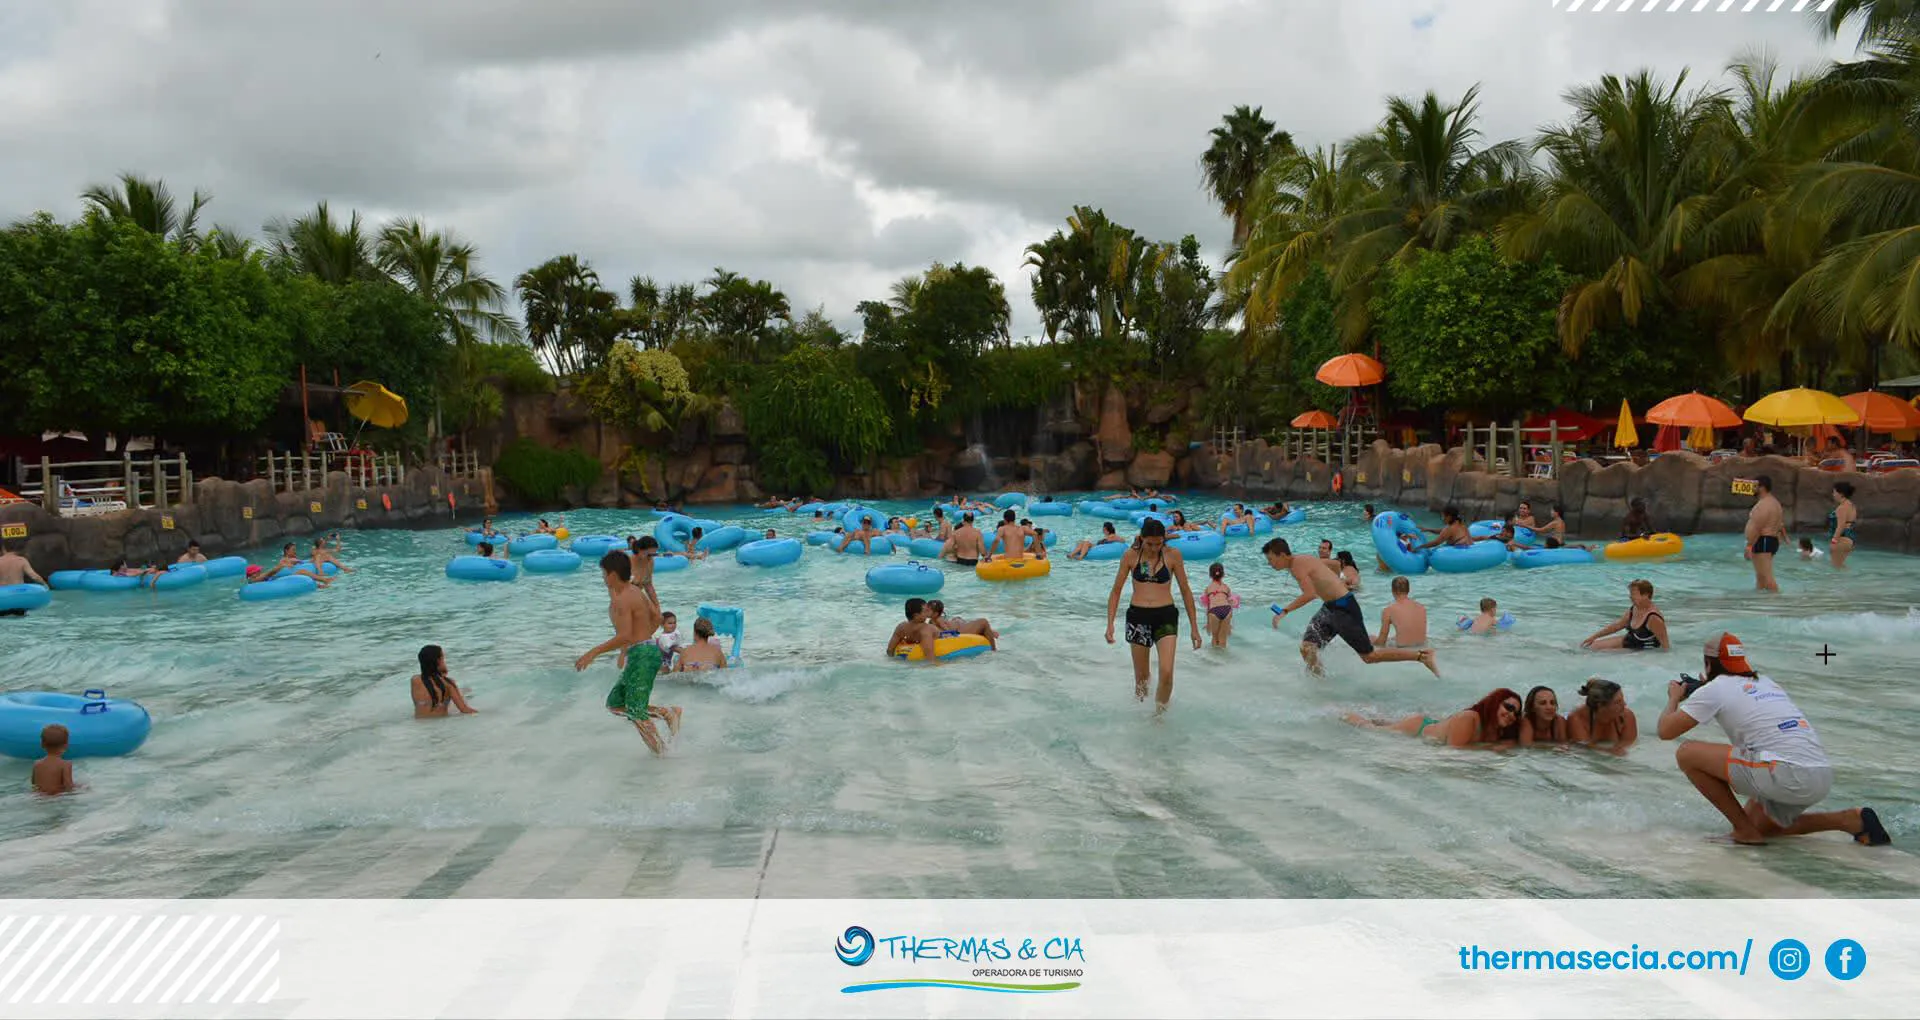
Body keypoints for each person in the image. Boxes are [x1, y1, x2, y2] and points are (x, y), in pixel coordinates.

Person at [1658, 633, 1891, 847]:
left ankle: (1743, 832)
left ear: (1708, 663)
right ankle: (1849, 820)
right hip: (1819, 773)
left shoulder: (1715, 689)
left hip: (1785, 774)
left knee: (1687, 753)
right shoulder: (1766, 682)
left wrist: (1674, 698)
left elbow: (1665, 731)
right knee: (1761, 826)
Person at [1266, 538, 1439, 677]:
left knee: (1369, 657)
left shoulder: (1297, 566)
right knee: (1308, 647)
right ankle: (1321, 684)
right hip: (1330, 608)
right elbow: (1334, 565)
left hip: (1344, 608)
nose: (1270, 564)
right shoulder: (1305, 558)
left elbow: (1310, 594)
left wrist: (1285, 611)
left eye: (1271, 559)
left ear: (1282, 555)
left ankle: (1421, 656)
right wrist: (1335, 583)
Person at [575, 551, 681, 755]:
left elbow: (624, 635)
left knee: (636, 711)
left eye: (604, 573)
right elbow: (657, 617)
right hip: (641, 652)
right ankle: (667, 713)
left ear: (613, 574)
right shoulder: (631, 590)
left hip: (642, 655)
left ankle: (662, 756)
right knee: (615, 704)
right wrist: (640, 643)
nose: (603, 578)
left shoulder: (624, 599)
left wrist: (592, 653)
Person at [1104, 519, 1202, 714]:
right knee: (1141, 678)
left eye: (1159, 543)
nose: (1154, 548)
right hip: (1138, 617)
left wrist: (1194, 627)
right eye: (1150, 544)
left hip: (1165, 616)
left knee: (1166, 672)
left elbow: (1185, 590)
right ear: (1142, 539)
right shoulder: (1130, 556)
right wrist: (1110, 624)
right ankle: (1140, 715)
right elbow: (1116, 591)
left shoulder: (1173, 555)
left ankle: (1159, 717)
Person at [1344, 688, 1523, 748]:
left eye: (1516, 712)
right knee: (1371, 728)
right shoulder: (1470, 718)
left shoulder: (1496, 728)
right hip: (1419, 728)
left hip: (1434, 726)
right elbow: (1455, 752)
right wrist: (1492, 749)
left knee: (1387, 723)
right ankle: (1345, 714)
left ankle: (1377, 716)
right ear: (1495, 703)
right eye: (1508, 707)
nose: (1512, 714)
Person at [1581, 579, 1667, 652]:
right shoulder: (1634, 609)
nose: (1630, 597)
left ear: (1645, 595)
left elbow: (1665, 646)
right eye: (1630, 593)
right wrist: (1593, 637)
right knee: (1591, 647)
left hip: (1644, 650)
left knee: (1600, 654)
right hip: (1630, 641)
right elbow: (1617, 626)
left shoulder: (1653, 617)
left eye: (1634, 594)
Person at [1567, 678, 1637, 753]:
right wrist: (1610, 752)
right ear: (1600, 705)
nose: (1624, 704)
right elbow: (1584, 750)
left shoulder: (1627, 716)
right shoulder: (1576, 719)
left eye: (1622, 700)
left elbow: (1628, 746)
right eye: (1618, 702)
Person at [1743, 475, 1786, 592]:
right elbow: (1780, 523)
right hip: (1770, 540)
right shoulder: (1775, 503)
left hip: (1763, 540)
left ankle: (1777, 603)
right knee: (1761, 577)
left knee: (1767, 577)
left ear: (1761, 487)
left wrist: (1749, 545)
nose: (1752, 488)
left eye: (1754, 486)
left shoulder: (1763, 505)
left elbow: (1756, 526)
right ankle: (1761, 605)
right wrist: (1784, 538)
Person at [411, 644, 477, 718]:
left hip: (418, 726)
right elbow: (464, 710)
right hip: (441, 725)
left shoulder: (415, 680)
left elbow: (419, 703)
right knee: (464, 693)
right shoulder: (448, 683)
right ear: (438, 661)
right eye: (443, 658)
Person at [1372, 576, 1429, 648]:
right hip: (1422, 646)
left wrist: (1372, 643)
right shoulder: (1421, 607)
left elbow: (1381, 642)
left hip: (1403, 649)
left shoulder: (1388, 610)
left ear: (1393, 590)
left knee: (1371, 638)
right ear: (1408, 590)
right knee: (1393, 638)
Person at [925, 599, 998, 649]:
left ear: (935, 613)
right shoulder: (934, 620)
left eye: (928, 610)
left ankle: (992, 646)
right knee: (982, 621)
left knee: (981, 621)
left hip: (958, 630)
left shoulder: (938, 620)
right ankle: (991, 639)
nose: (925, 611)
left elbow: (947, 630)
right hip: (959, 629)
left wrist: (949, 634)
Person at [0, 541, 47, 616]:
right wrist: (45, 585)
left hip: (3, 599)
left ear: (3, 548)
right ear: (19, 550)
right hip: (19, 598)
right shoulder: (21, 560)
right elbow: (34, 576)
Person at [32, 724, 77, 795]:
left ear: (42, 744)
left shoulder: (36, 764)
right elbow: (69, 787)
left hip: (39, 798)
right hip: (56, 798)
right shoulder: (66, 764)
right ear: (66, 745)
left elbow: (34, 785)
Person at [1202, 562, 1236, 648]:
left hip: (1214, 611)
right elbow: (1230, 603)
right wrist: (1229, 623)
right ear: (1223, 574)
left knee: (1215, 638)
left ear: (1210, 575)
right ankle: (1223, 660)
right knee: (1223, 640)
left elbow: (1208, 606)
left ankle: (1213, 659)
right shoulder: (1226, 587)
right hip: (1226, 609)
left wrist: (1208, 623)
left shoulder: (1208, 588)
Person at [1828, 481, 1858, 569]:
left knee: (1836, 567)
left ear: (1840, 494)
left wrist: (1834, 541)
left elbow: (1840, 526)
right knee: (1840, 566)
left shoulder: (1842, 508)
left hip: (1842, 539)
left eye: (1834, 492)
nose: (1833, 494)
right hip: (1850, 539)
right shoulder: (1851, 505)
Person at [627, 536, 662, 606]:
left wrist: (657, 606)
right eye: (649, 555)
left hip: (637, 600)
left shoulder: (650, 562)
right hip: (625, 601)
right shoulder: (627, 563)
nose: (651, 557)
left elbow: (648, 586)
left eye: (653, 554)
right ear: (640, 550)